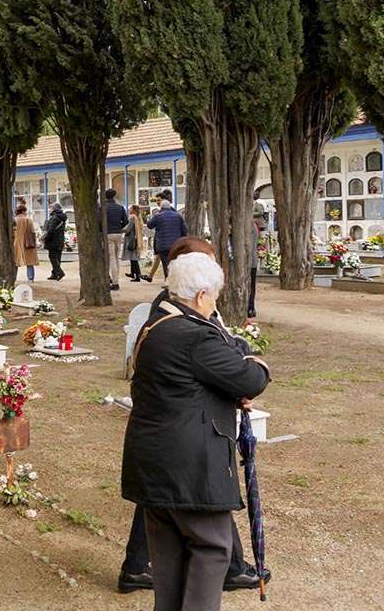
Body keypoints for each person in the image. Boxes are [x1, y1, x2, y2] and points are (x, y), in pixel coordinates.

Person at [119, 236, 270, 596]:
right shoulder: (195, 336)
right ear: (202, 295)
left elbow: (181, 386)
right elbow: (251, 377)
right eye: (214, 296)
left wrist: (226, 395)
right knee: (212, 549)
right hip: (190, 466)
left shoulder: (157, 326)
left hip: (153, 460)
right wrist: (255, 363)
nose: (214, 302)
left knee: (169, 557)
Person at [146, 195, 187, 279]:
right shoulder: (178, 215)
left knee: (166, 265)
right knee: (174, 263)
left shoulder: (158, 216)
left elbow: (149, 225)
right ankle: (175, 282)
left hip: (163, 245)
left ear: (161, 207)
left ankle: (168, 283)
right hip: (175, 245)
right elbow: (184, 231)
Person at [104, 188, 128, 291]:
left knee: (111, 258)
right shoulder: (120, 207)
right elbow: (126, 222)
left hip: (108, 234)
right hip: (118, 234)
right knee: (116, 258)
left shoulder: (104, 207)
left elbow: (100, 221)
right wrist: (119, 226)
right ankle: (116, 280)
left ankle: (114, 282)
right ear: (114, 196)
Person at [248, 202, 267, 319]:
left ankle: (249, 307)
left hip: (248, 262)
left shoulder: (250, 225)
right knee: (251, 286)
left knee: (249, 285)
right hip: (252, 261)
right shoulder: (253, 226)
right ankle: (251, 308)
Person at [13, 204, 39, 282]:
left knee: (15, 262)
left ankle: (13, 278)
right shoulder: (28, 220)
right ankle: (30, 278)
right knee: (29, 262)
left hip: (16, 243)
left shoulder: (14, 220)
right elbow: (33, 232)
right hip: (28, 243)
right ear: (23, 211)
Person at [43, 203, 67, 281]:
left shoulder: (54, 218)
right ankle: (54, 274)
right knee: (57, 258)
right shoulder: (62, 218)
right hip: (60, 240)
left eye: (51, 207)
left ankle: (59, 273)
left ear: (54, 209)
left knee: (52, 257)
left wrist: (45, 238)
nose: (50, 209)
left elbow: (51, 231)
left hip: (53, 241)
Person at [122, 205, 144, 283]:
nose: (129, 209)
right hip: (135, 238)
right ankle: (132, 273)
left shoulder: (132, 217)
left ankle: (137, 275)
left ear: (134, 210)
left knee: (134, 258)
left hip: (131, 239)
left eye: (130, 208)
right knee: (133, 257)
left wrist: (120, 230)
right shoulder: (137, 217)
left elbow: (128, 228)